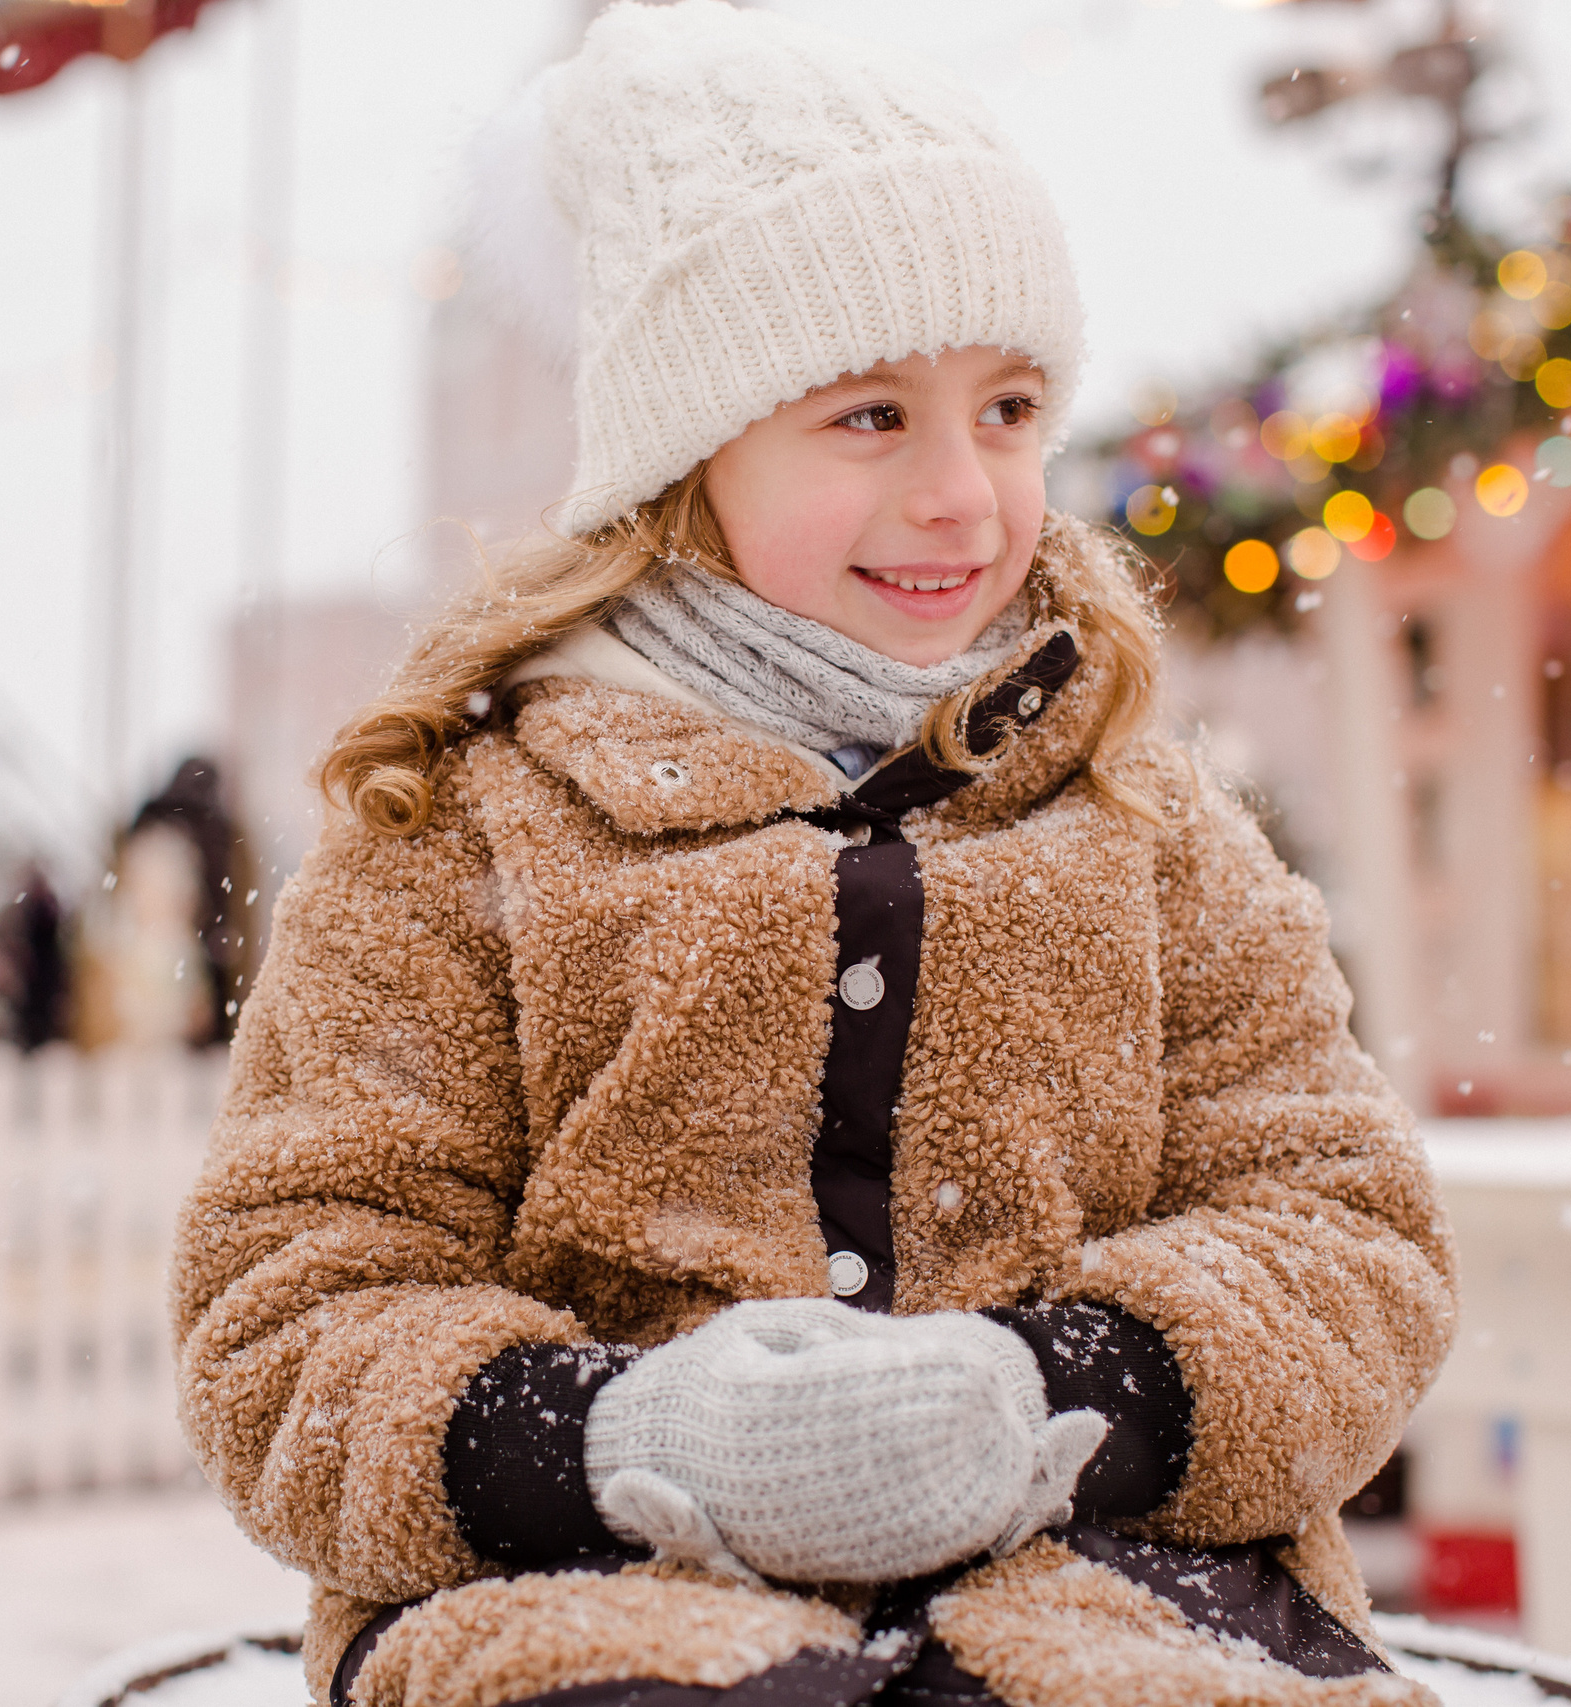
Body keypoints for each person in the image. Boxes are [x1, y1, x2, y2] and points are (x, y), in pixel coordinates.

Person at [172, 7, 1456, 1706]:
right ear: (686, 455)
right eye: (870, 417)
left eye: (1007, 410)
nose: (964, 496)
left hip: (1129, 1612)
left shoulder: (1137, 823)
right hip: (597, 1617)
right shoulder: (467, 832)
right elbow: (294, 1309)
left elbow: (1346, 1227)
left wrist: (1065, 1398)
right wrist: (616, 1435)